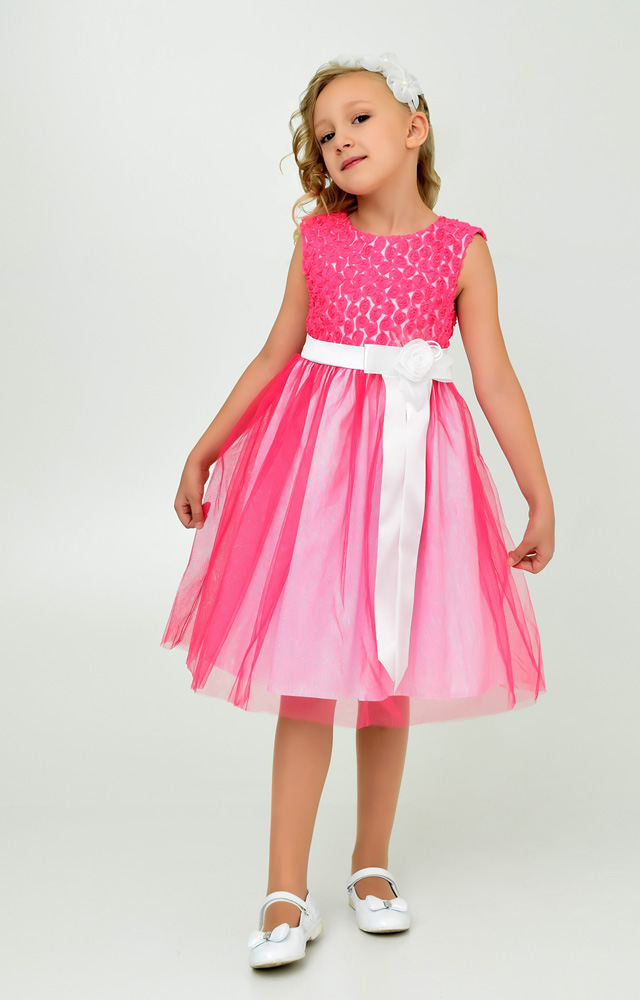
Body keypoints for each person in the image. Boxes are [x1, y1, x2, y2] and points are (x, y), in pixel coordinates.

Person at [160, 51, 555, 969]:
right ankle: (284, 886)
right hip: (319, 477)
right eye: (326, 133)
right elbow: (275, 354)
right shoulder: (320, 241)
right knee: (308, 675)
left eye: (360, 118)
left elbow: (494, 377)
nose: (341, 139)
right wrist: (206, 447)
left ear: (415, 127)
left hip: (417, 477)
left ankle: (369, 864)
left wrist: (537, 492)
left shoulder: (462, 247)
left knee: (388, 677)